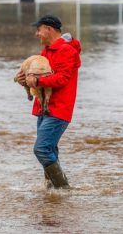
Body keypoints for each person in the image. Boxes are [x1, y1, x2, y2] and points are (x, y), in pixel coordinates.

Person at [15, 14, 81, 189]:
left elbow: (63, 78)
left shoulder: (67, 51)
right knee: (49, 149)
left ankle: (63, 189)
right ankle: (52, 191)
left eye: (39, 29)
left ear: (49, 29)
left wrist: (37, 81)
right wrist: (25, 79)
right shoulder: (46, 51)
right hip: (45, 109)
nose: (37, 34)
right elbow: (41, 77)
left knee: (42, 149)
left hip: (59, 110)